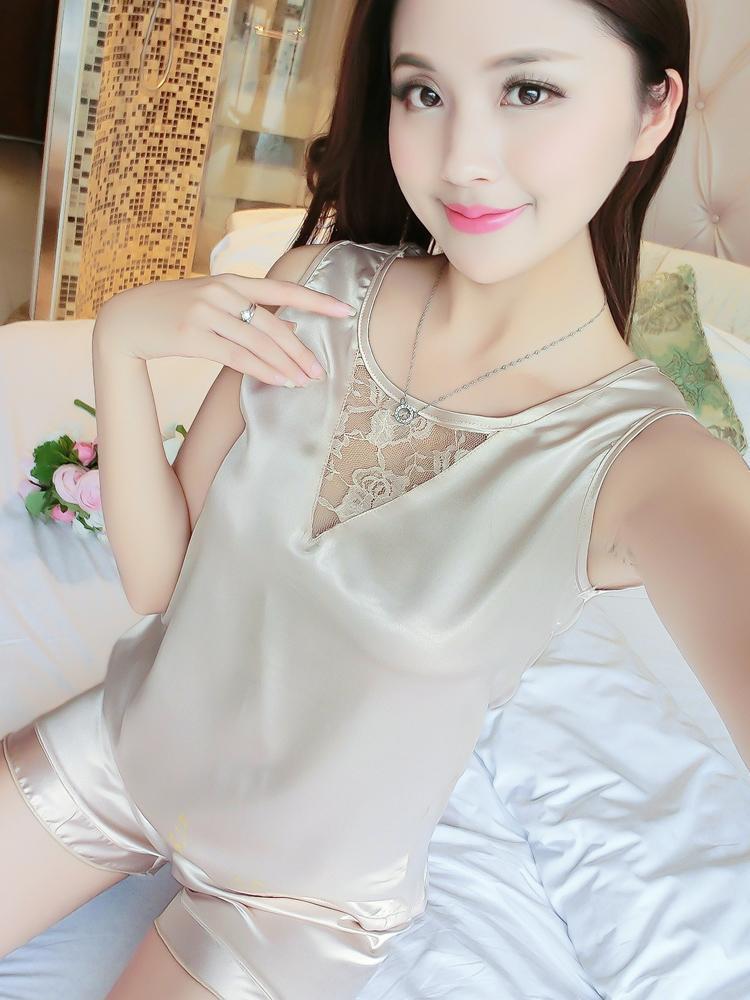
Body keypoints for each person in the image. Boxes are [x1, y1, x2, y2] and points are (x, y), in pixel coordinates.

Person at [0, 0, 707, 996]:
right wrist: (119, 342)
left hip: (297, 895)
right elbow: (160, 583)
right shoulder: (319, 287)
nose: (463, 158)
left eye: (529, 89)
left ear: (653, 108)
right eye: (424, 91)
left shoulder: (654, 463)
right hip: (127, 746)